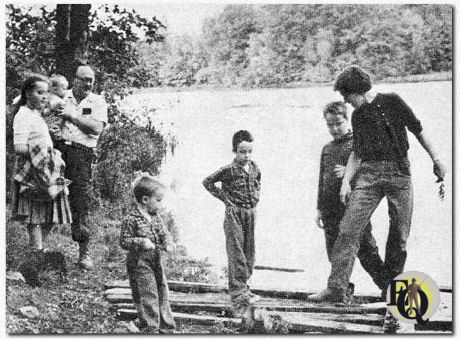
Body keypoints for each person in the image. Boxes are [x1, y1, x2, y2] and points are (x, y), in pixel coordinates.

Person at [310, 65, 446, 303]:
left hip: (399, 173)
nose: (345, 101)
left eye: (346, 95)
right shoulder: (358, 116)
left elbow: (418, 130)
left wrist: (436, 160)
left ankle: (391, 291)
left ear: (358, 90)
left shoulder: (393, 101)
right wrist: (346, 182)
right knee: (348, 229)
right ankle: (336, 288)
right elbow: (357, 154)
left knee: (399, 235)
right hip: (369, 176)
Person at [315, 101, 385, 299]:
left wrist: (349, 172)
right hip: (330, 209)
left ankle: (388, 286)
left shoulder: (358, 144)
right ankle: (342, 289)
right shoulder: (327, 149)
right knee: (333, 250)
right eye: (330, 125)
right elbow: (322, 181)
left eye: (338, 123)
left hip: (354, 207)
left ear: (348, 120)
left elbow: (371, 173)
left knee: (367, 250)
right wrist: (319, 209)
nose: (335, 129)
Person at [54, 65, 108, 270]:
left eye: (91, 80)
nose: (87, 84)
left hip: (81, 154)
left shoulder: (98, 101)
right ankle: (38, 248)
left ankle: (84, 253)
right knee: (48, 194)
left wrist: (72, 116)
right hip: (58, 150)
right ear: (74, 79)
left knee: (80, 201)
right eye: (83, 79)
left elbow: (96, 129)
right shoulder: (60, 96)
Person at [202, 130, 261, 315]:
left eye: (249, 151)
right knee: (236, 252)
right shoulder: (228, 170)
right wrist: (225, 199)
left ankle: (244, 287)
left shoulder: (255, 167)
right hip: (234, 213)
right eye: (242, 152)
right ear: (235, 151)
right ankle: (238, 294)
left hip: (250, 213)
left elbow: (258, 182)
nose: (247, 155)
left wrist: (256, 197)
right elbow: (208, 182)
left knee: (249, 252)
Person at [11, 75, 72, 252]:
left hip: (46, 167)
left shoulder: (34, 113)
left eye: (46, 93)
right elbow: (19, 147)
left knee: (55, 206)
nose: (44, 97)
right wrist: (42, 152)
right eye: (39, 92)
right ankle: (36, 249)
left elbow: (37, 135)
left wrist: (49, 138)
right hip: (32, 168)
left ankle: (37, 248)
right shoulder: (22, 115)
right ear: (28, 94)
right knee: (34, 212)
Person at [119, 173, 176, 334]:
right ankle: (150, 327)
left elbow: (164, 233)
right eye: (158, 200)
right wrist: (141, 242)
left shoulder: (155, 217)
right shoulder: (131, 219)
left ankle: (167, 327)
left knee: (162, 291)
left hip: (156, 260)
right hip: (139, 263)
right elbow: (124, 241)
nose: (160, 204)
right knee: (148, 294)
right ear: (145, 200)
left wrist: (168, 243)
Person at [45, 74, 69, 139]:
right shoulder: (58, 100)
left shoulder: (47, 97)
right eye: (64, 89)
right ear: (55, 89)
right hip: (52, 123)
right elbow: (49, 108)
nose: (66, 91)